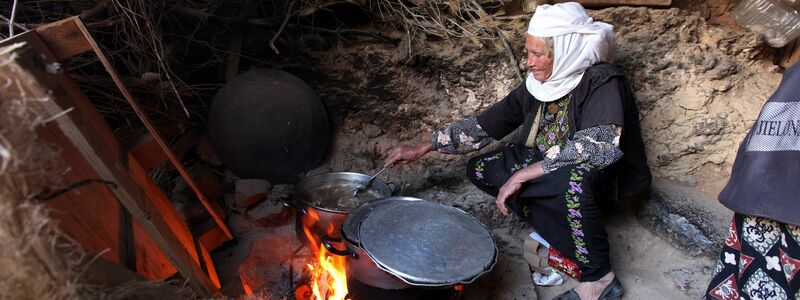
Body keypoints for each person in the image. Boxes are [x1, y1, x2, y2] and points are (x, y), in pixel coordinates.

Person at [385, 3, 651, 300]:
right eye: (528, 53)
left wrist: (524, 174)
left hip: (596, 171)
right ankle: (563, 234)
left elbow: (599, 146)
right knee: (482, 168)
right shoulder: (540, 84)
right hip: (548, 165)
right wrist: (425, 147)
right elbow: (487, 125)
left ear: (563, 52)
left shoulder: (601, 79)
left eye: (537, 54)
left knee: (572, 184)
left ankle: (600, 278)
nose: (529, 62)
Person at [703, 62, 800, 300]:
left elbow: (603, 155)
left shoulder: (602, 78)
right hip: (771, 190)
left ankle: (601, 277)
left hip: (770, 187)